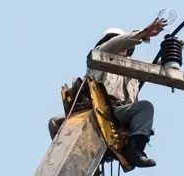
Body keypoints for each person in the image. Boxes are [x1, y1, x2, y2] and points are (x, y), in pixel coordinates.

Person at [48, 19, 167, 168]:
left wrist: (172, 52)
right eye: (112, 40)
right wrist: (144, 33)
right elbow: (116, 43)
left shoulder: (133, 69)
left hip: (118, 114)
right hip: (96, 110)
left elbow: (155, 68)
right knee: (55, 122)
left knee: (145, 108)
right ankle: (72, 160)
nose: (116, 43)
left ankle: (134, 150)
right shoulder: (101, 54)